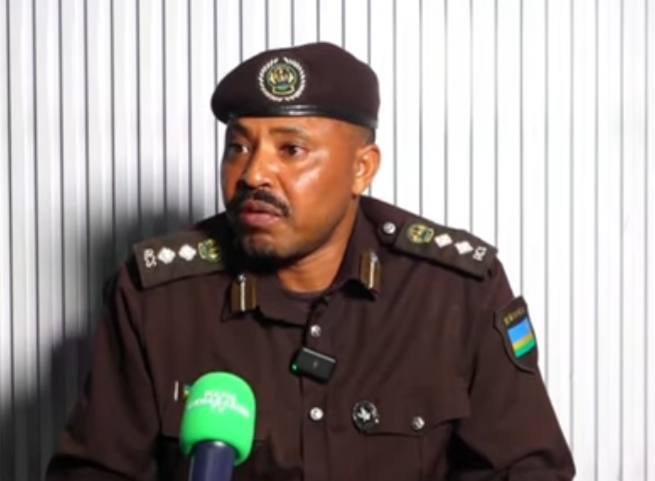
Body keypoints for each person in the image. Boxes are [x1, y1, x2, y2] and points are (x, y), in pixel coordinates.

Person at [44, 41, 576, 481]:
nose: (254, 173)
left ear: (362, 169)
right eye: (238, 147)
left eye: (291, 150)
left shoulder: (457, 292)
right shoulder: (157, 298)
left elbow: (527, 470)